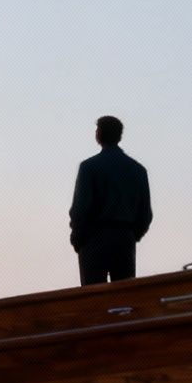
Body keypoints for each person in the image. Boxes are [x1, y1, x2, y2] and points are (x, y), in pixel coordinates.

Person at [69, 114, 153, 285]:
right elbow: (145, 214)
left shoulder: (89, 167)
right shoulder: (138, 170)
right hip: (124, 239)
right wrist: (131, 235)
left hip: (93, 239)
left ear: (98, 135)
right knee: (123, 299)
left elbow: (80, 208)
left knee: (94, 299)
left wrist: (78, 237)